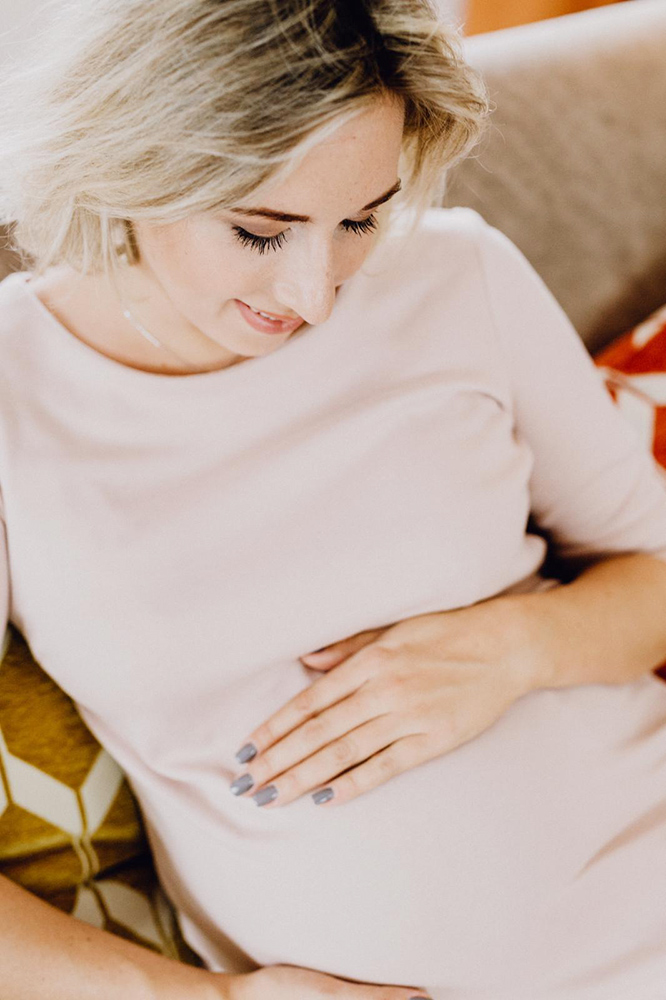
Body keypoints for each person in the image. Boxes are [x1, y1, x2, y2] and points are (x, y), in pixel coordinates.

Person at [2, 1, 666, 998]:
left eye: (360, 219)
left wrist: (511, 649)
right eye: (259, 231)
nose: (316, 295)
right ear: (128, 165)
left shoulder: (459, 274)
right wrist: (215, 998)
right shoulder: (13, 397)